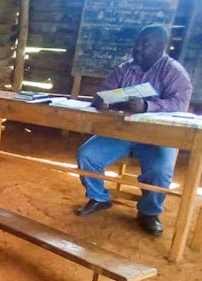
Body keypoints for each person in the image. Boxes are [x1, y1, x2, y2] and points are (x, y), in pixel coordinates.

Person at [75, 25, 192, 236]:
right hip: (123, 132)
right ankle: (99, 197)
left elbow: (180, 103)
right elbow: (103, 93)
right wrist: (102, 101)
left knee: (160, 170)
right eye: (137, 43)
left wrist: (147, 106)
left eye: (144, 45)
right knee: (88, 155)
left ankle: (149, 212)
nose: (138, 49)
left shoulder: (174, 72)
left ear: (161, 47)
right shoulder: (124, 69)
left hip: (157, 136)